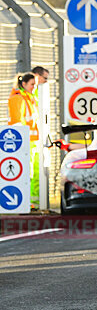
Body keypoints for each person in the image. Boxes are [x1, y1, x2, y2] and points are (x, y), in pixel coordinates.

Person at [8, 73, 40, 210]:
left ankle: (35, 204)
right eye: (32, 84)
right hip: (26, 143)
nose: (34, 87)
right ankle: (26, 203)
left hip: (34, 141)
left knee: (36, 174)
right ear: (24, 84)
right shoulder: (18, 99)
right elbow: (17, 123)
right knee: (28, 173)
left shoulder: (30, 98)